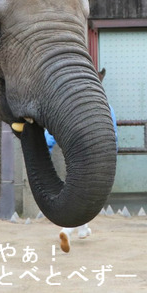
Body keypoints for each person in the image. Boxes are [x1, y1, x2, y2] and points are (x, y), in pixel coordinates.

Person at [46, 68, 118, 253]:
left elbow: (51, 132)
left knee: (81, 194)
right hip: (97, 158)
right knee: (88, 196)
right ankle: (67, 230)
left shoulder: (67, 105)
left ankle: (83, 229)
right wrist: (113, 153)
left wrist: (46, 147)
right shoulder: (104, 106)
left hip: (71, 157)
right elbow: (113, 132)